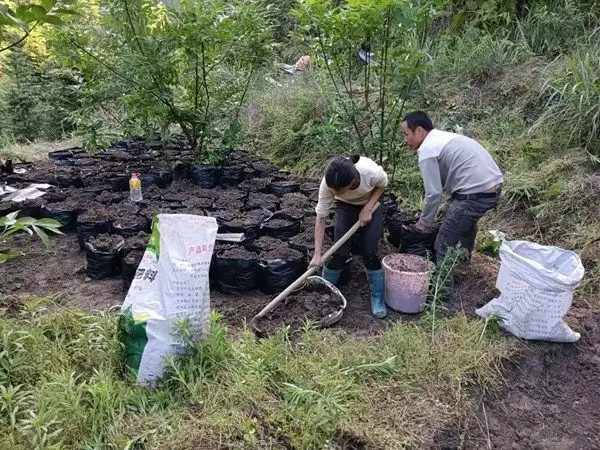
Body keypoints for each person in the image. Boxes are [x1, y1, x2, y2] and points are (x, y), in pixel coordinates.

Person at [400, 111, 503, 264]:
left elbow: (433, 193)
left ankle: (443, 287)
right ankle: (463, 264)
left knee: (443, 244)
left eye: (406, 134)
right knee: (462, 221)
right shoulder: (443, 138)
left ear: (419, 131)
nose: (405, 140)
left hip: (475, 194)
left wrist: (424, 223)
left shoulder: (427, 149)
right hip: (492, 187)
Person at [310, 155, 388, 318]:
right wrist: (317, 254)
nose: (332, 193)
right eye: (332, 190)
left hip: (371, 202)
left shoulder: (370, 172)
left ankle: (378, 296)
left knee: (369, 250)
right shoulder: (328, 184)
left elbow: (382, 185)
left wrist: (367, 208)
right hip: (345, 206)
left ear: (351, 183)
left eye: (337, 191)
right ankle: (325, 291)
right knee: (340, 250)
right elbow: (321, 217)